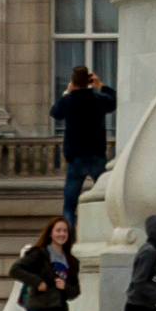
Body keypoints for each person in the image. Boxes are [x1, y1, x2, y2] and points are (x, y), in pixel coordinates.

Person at [50, 67, 118, 233]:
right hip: (97, 156)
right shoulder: (97, 99)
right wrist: (100, 85)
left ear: (73, 82)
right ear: (88, 81)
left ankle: (69, 241)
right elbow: (113, 101)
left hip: (77, 158)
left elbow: (55, 112)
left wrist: (67, 91)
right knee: (106, 199)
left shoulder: (69, 100)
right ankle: (107, 232)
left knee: (69, 206)